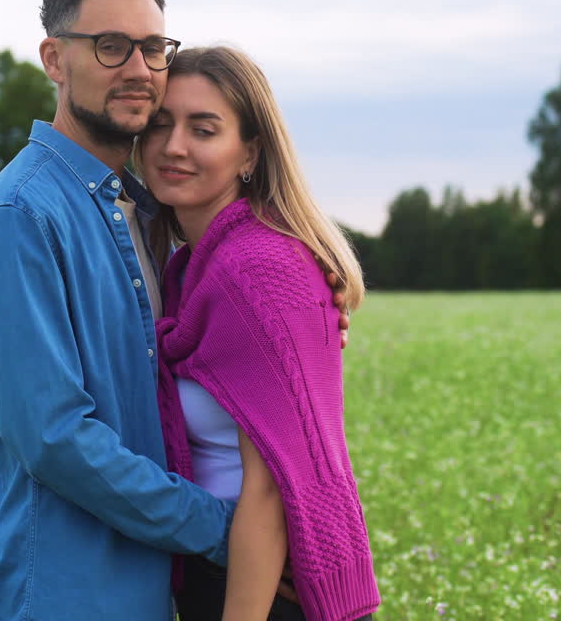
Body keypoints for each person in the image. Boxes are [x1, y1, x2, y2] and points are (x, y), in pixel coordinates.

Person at [0, 0, 351, 621]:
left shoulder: (147, 219)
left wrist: (308, 294)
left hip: (146, 590)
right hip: (52, 592)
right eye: (110, 47)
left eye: (152, 47)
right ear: (55, 59)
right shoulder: (17, 217)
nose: (137, 70)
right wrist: (227, 532)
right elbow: (54, 437)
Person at [139, 46, 380, 621]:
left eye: (204, 129)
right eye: (160, 125)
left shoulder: (260, 269)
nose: (174, 146)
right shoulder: (185, 270)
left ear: (249, 152)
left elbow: (269, 487)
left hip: (268, 589)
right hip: (218, 566)